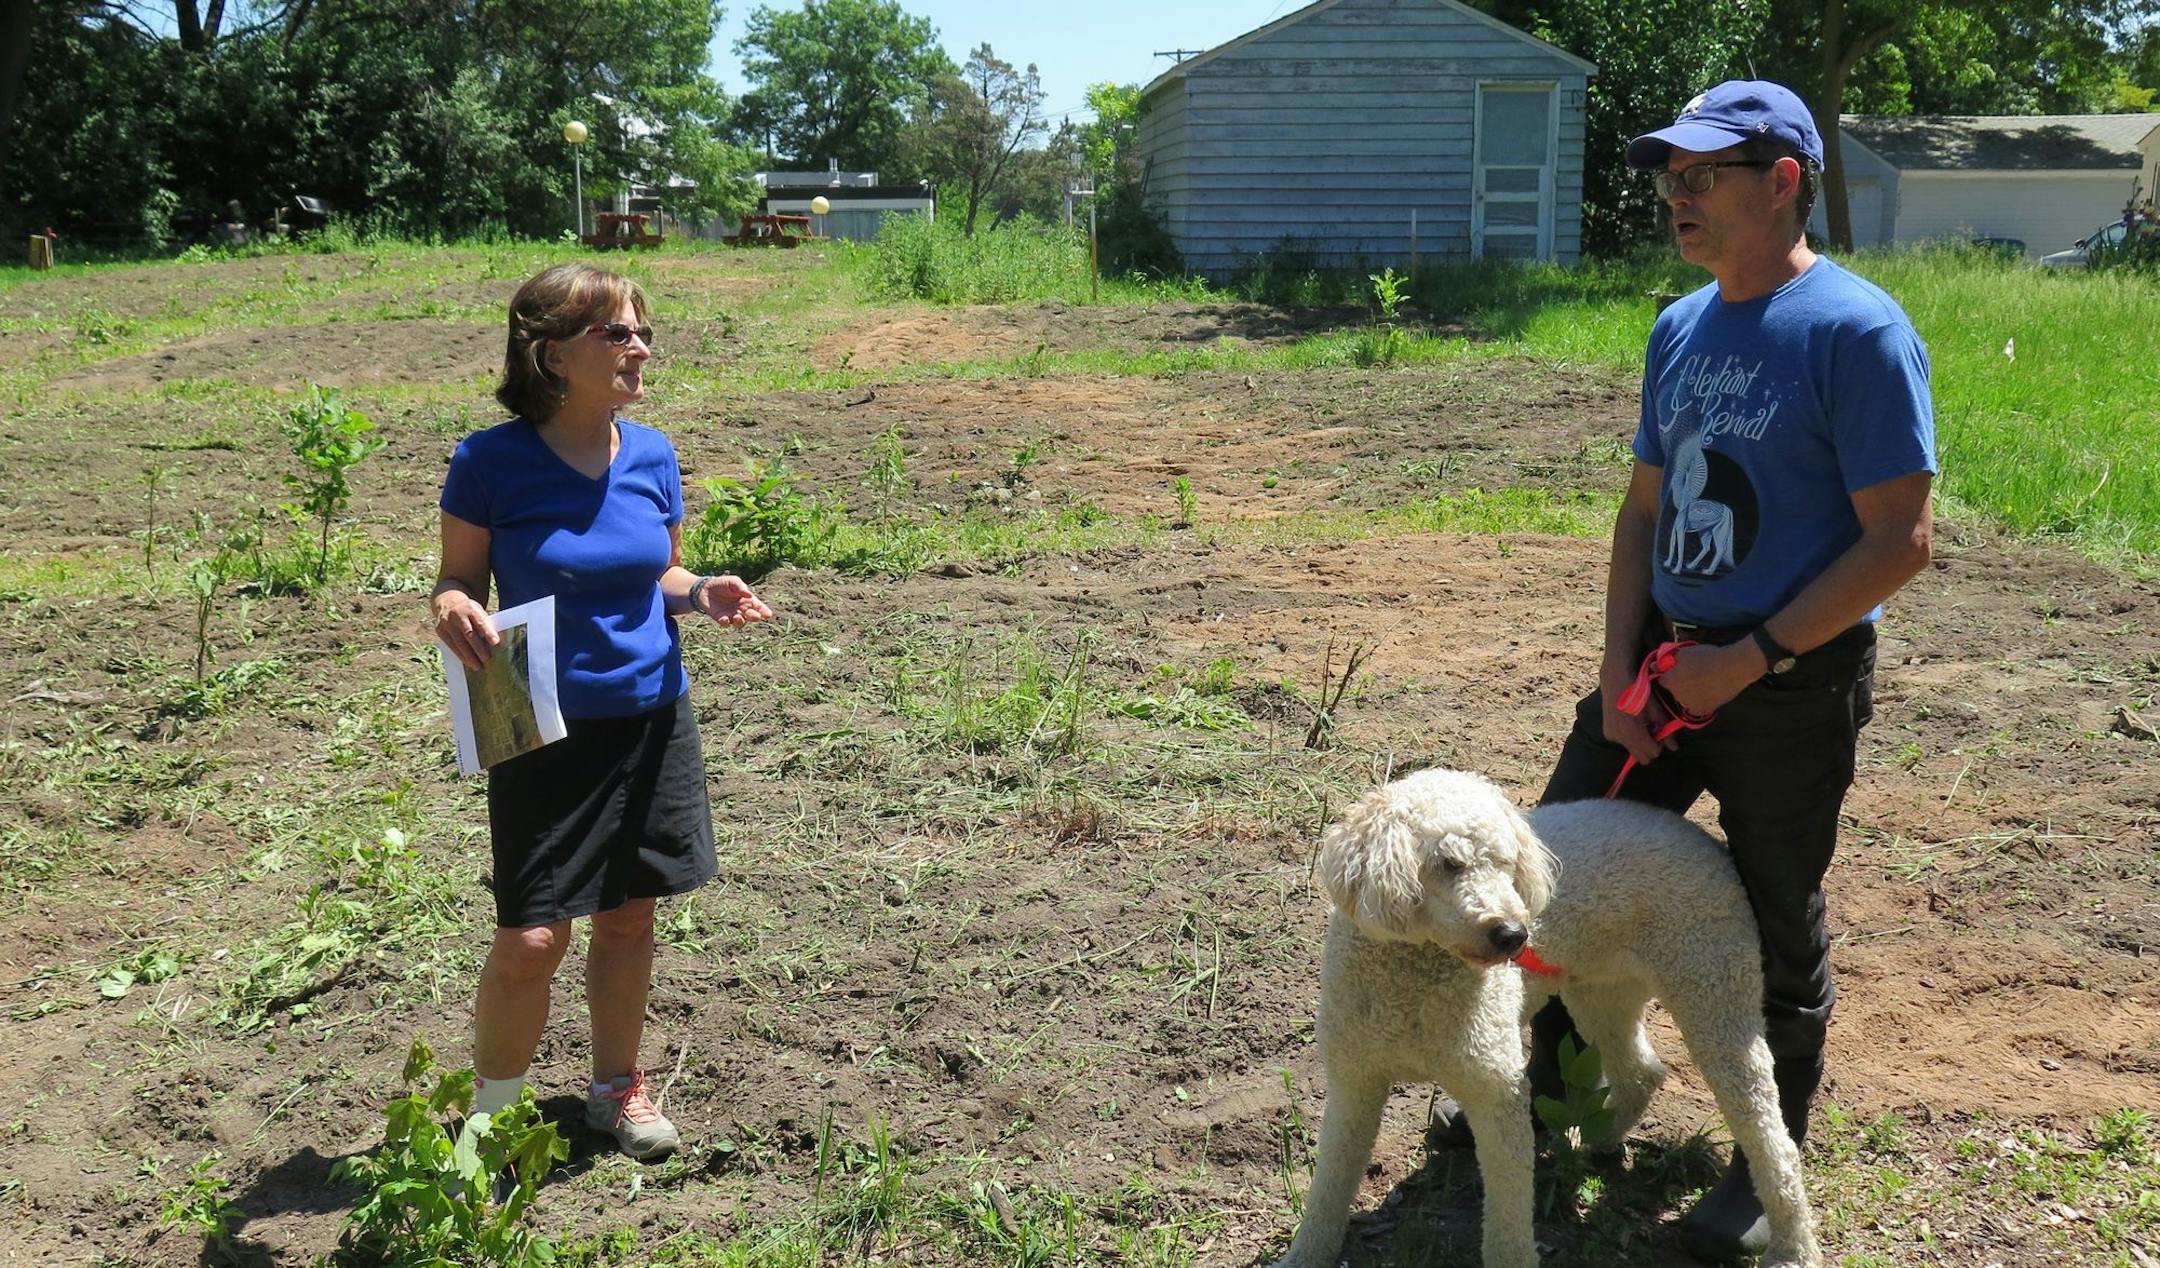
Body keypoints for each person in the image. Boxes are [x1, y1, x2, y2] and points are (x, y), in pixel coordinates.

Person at [1435, 81, 1937, 1262]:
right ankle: (1545, 1089)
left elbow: (1897, 541)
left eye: (1706, 172)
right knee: (1547, 862)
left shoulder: (1857, 331)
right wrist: (1622, 665)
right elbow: (1644, 508)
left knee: (1771, 912)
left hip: (1789, 689)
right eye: (1672, 172)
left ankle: (1767, 1163)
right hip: (1659, 667)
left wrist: (1749, 661)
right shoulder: (1680, 326)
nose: (1678, 192)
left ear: (1784, 180)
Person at [431, 262, 773, 1166]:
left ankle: (615, 1090)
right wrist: (452, 605)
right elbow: (459, 577)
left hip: (654, 714)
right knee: (533, 934)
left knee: (629, 916)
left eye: (642, 332)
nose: (639, 348)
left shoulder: (653, 452)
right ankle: (490, 1123)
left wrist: (700, 591)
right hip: (540, 722)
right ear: (551, 354)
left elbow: (654, 572)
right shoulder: (489, 461)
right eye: (615, 334)